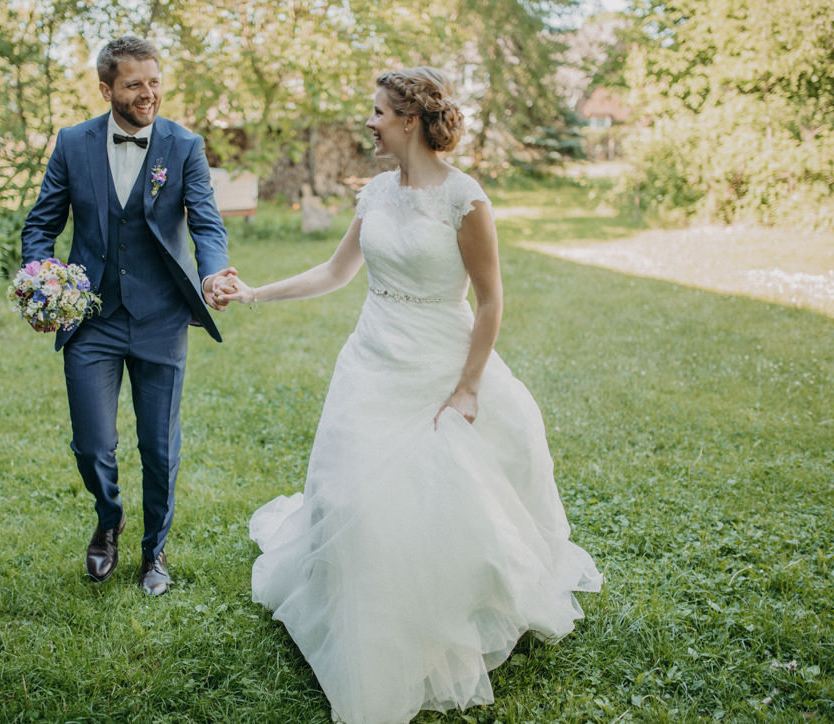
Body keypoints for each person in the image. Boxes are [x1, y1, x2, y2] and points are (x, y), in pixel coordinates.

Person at [216, 67, 602, 723]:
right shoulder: (373, 194)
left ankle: (450, 611)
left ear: (411, 120)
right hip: (371, 362)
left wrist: (469, 387)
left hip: (440, 364)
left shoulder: (466, 199)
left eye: (377, 112)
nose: (368, 121)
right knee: (356, 498)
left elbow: (491, 301)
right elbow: (337, 272)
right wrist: (254, 292)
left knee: (444, 501)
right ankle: (364, 614)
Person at [21, 35, 233, 596]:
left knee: (159, 446)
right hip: (91, 316)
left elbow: (207, 224)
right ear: (107, 88)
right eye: (135, 84)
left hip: (162, 316)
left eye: (155, 81)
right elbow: (41, 224)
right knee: (93, 442)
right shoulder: (72, 143)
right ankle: (109, 517)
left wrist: (213, 273)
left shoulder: (184, 145)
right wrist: (41, 279)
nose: (149, 93)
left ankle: (155, 550)